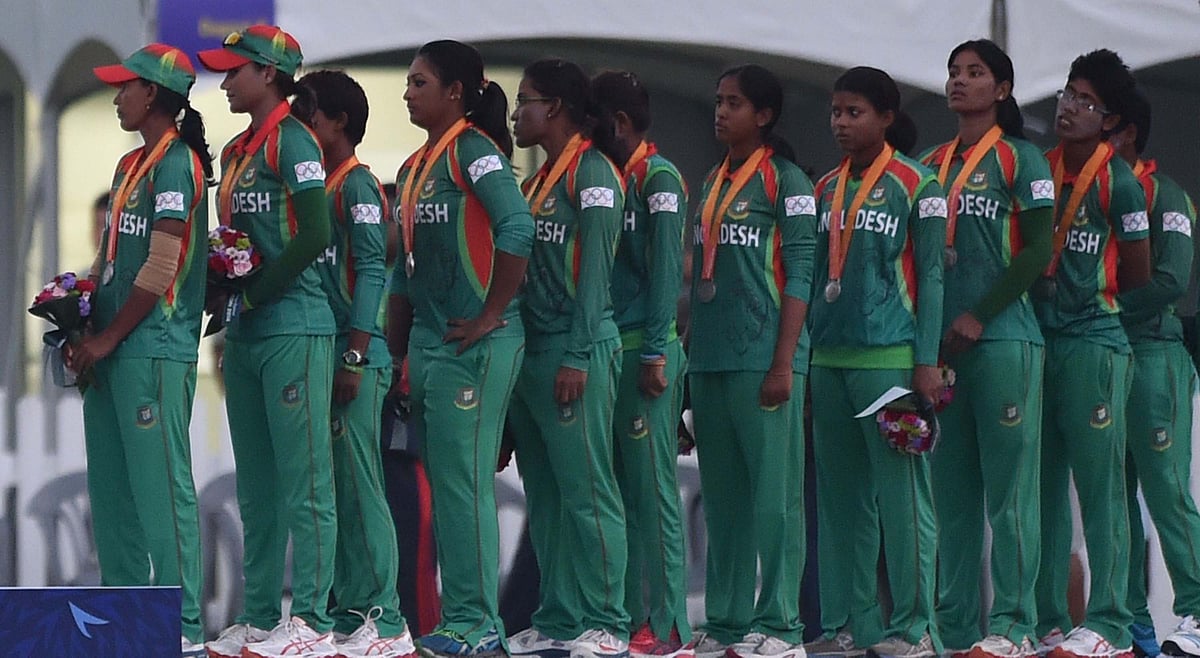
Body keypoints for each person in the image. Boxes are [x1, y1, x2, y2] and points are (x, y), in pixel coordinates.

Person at [386, 39, 534, 658]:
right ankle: (463, 619)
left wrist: (491, 313)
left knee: (465, 485)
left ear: (456, 92)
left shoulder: (475, 154)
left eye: (419, 82)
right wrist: (397, 354)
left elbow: (518, 227)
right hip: (430, 343)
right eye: (409, 82)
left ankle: (479, 624)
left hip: (475, 342)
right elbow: (403, 267)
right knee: (448, 484)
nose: (407, 92)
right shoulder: (418, 164)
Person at [195, 25, 340, 658]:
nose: (225, 82)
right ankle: (258, 617)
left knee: (305, 481)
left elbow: (315, 233)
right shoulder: (234, 150)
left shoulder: (295, 141)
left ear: (270, 75)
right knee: (255, 485)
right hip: (248, 332)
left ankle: (311, 619)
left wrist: (252, 294)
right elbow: (232, 243)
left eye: (235, 71)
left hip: (295, 326)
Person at [917, 39, 1054, 658]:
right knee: (951, 501)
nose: (958, 82)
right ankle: (952, 629)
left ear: (1001, 89)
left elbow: (1036, 251)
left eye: (974, 73)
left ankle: (1016, 626)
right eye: (953, 72)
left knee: (1009, 496)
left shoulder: (1023, 160)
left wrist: (978, 314)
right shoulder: (928, 165)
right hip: (942, 354)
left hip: (1003, 342)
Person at [75, 42, 211, 658]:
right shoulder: (131, 164)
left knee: (161, 488)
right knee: (113, 491)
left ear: (152, 93)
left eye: (125, 86)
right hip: (111, 348)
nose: (116, 96)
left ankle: (181, 625)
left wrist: (106, 336)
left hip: (153, 346)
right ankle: (128, 614)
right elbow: (114, 260)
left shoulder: (177, 163)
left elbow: (161, 266)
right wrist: (78, 320)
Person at [805, 66, 946, 658]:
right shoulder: (821, 188)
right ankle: (849, 625)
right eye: (836, 111)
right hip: (830, 359)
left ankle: (915, 627)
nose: (841, 122)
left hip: (890, 363)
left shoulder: (921, 185)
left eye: (854, 112)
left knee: (903, 498)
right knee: (840, 502)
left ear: (886, 117)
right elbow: (813, 277)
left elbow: (935, 275)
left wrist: (926, 361)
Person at [684, 63, 814, 658]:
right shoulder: (711, 180)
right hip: (710, 358)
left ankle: (781, 622)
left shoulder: (787, 182)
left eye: (733, 103)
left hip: (765, 356)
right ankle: (728, 620)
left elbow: (803, 274)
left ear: (763, 115)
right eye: (717, 100)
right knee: (725, 496)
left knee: (776, 497)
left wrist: (784, 362)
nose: (720, 111)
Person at [504, 57, 630, 658]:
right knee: (547, 494)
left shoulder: (595, 173)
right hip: (532, 351)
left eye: (524, 100)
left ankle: (608, 619)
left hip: (577, 349)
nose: (515, 112)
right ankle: (559, 615)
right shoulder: (535, 183)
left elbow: (599, 275)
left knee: (587, 489)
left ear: (554, 108)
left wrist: (578, 355)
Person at [292, 69, 417, 658]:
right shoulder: (319, 185)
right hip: (332, 352)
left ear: (339, 122)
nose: (301, 125)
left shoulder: (358, 187)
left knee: (362, 486)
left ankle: (385, 617)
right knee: (337, 488)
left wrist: (356, 353)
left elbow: (373, 270)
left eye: (309, 114)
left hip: (356, 360)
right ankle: (350, 610)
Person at [1032, 49, 1150, 658]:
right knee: (1043, 487)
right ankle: (1049, 618)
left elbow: (1137, 273)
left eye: (1085, 102)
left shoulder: (1120, 183)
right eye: (1066, 96)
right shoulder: (1037, 168)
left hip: (1095, 344)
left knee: (1101, 490)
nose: (1069, 109)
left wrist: (1087, 306)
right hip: (1038, 344)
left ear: (1108, 121)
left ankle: (1109, 623)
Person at [590, 70, 692, 658]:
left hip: (646, 351)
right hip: (612, 347)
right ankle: (630, 618)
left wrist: (656, 349)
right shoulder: (607, 177)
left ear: (620, 124)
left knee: (653, 493)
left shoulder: (660, 180)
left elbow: (663, 277)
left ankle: (669, 625)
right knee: (621, 493)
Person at [1110, 88, 1200, 658]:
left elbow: (1171, 281)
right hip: (1102, 360)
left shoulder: (1167, 196)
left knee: (1165, 491)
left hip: (1154, 356)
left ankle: (1196, 611)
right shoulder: (1085, 197)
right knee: (1110, 499)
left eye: (1101, 121)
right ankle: (1130, 626)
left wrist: (1098, 312)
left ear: (1128, 134)